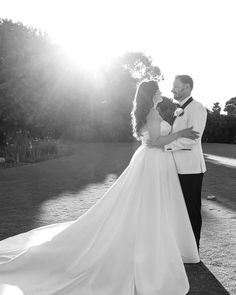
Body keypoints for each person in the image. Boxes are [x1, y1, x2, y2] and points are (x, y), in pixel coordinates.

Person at [0, 80, 200, 295]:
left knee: (147, 203)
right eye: (158, 90)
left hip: (155, 161)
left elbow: (154, 140)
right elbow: (156, 142)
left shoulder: (152, 111)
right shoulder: (152, 112)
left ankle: (151, 243)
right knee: (149, 203)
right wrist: (181, 133)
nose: (162, 92)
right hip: (153, 161)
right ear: (151, 94)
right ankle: (145, 246)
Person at [148, 75, 207, 250]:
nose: (172, 89)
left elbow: (192, 140)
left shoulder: (197, 108)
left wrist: (164, 146)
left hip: (190, 169)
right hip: (174, 168)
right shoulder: (178, 109)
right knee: (178, 209)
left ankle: (193, 249)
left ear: (187, 87)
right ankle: (180, 245)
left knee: (191, 210)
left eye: (176, 86)